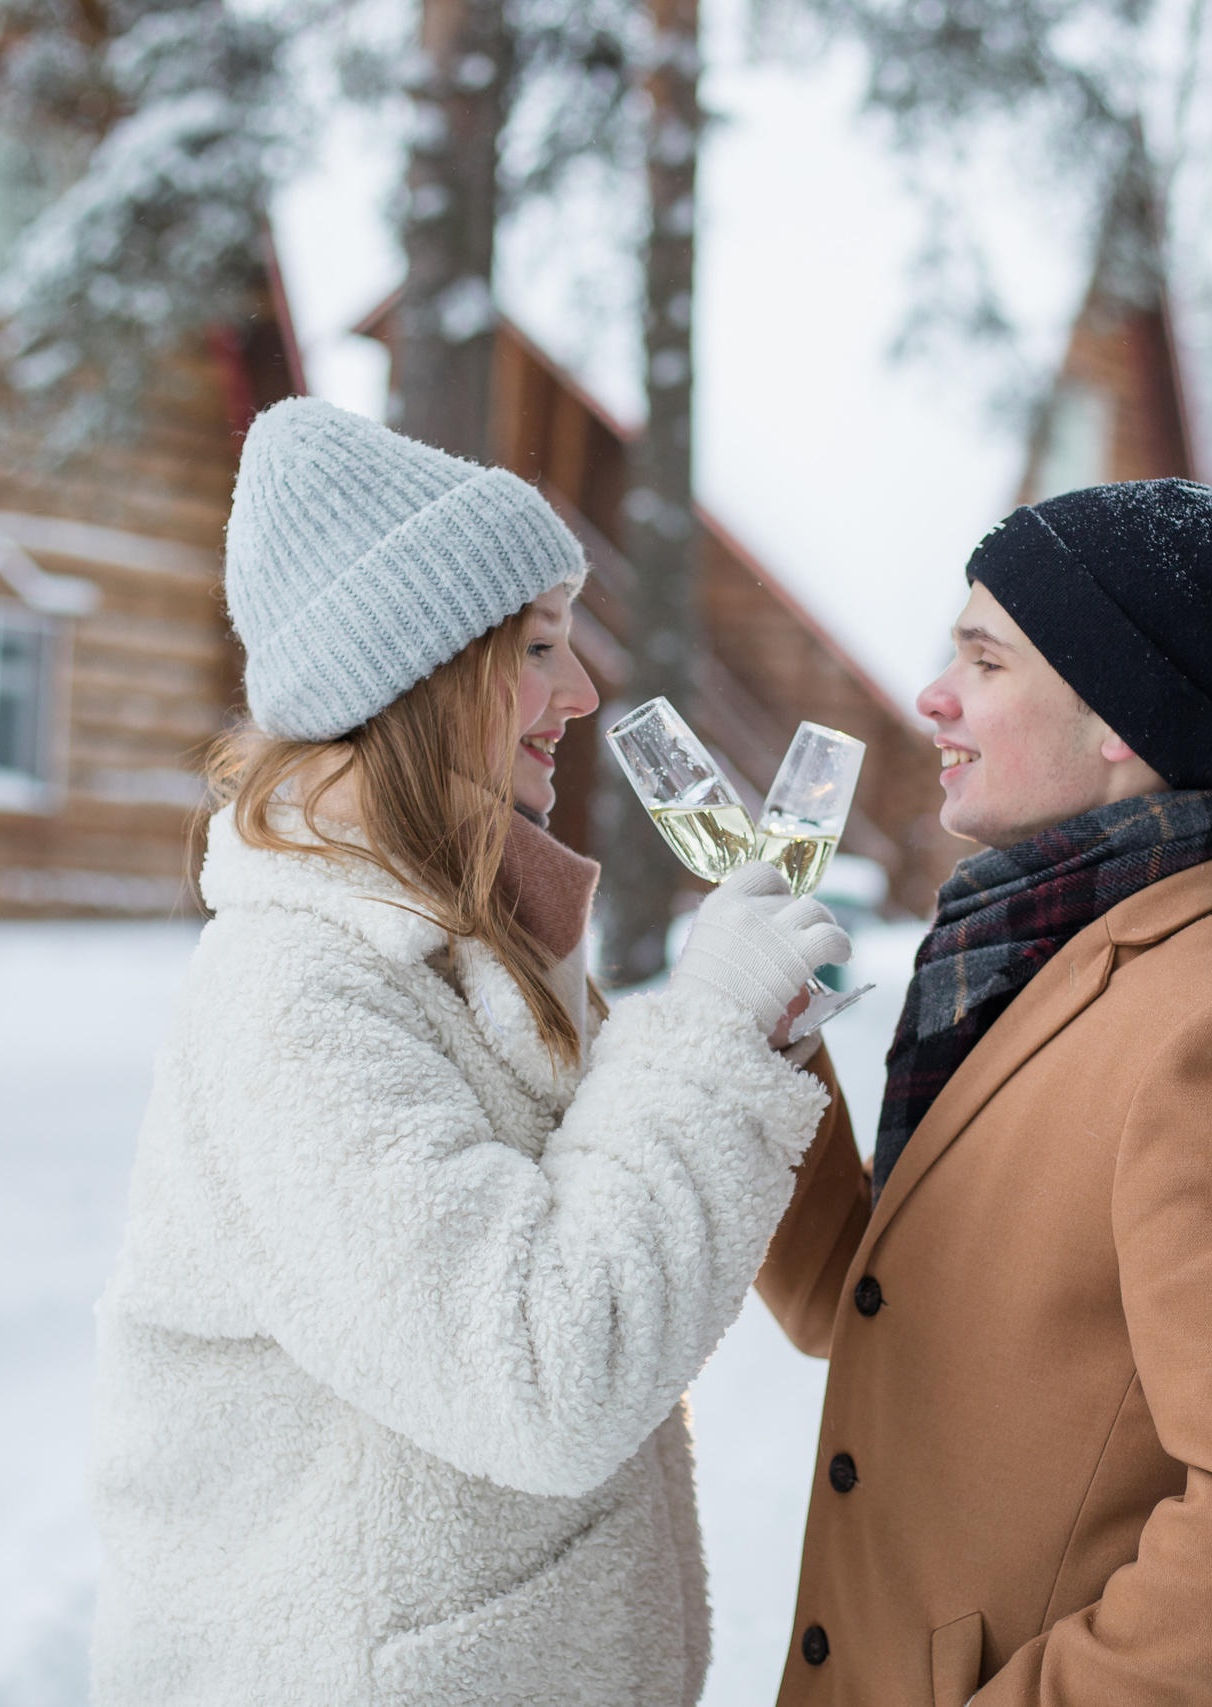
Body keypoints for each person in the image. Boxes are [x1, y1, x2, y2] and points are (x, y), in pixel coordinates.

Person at [89, 399, 850, 1707]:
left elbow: (609, 1237)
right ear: (425, 673)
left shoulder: (478, 950)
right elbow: (546, 1377)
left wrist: (747, 1044)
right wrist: (709, 1027)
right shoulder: (293, 996)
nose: (585, 689)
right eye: (540, 645)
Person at [755, 479, 1212, 1707]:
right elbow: (857, 1296)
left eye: (984, 660)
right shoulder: (1001, 967)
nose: (933, 693)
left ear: (1119, 725)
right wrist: (758, 1044)